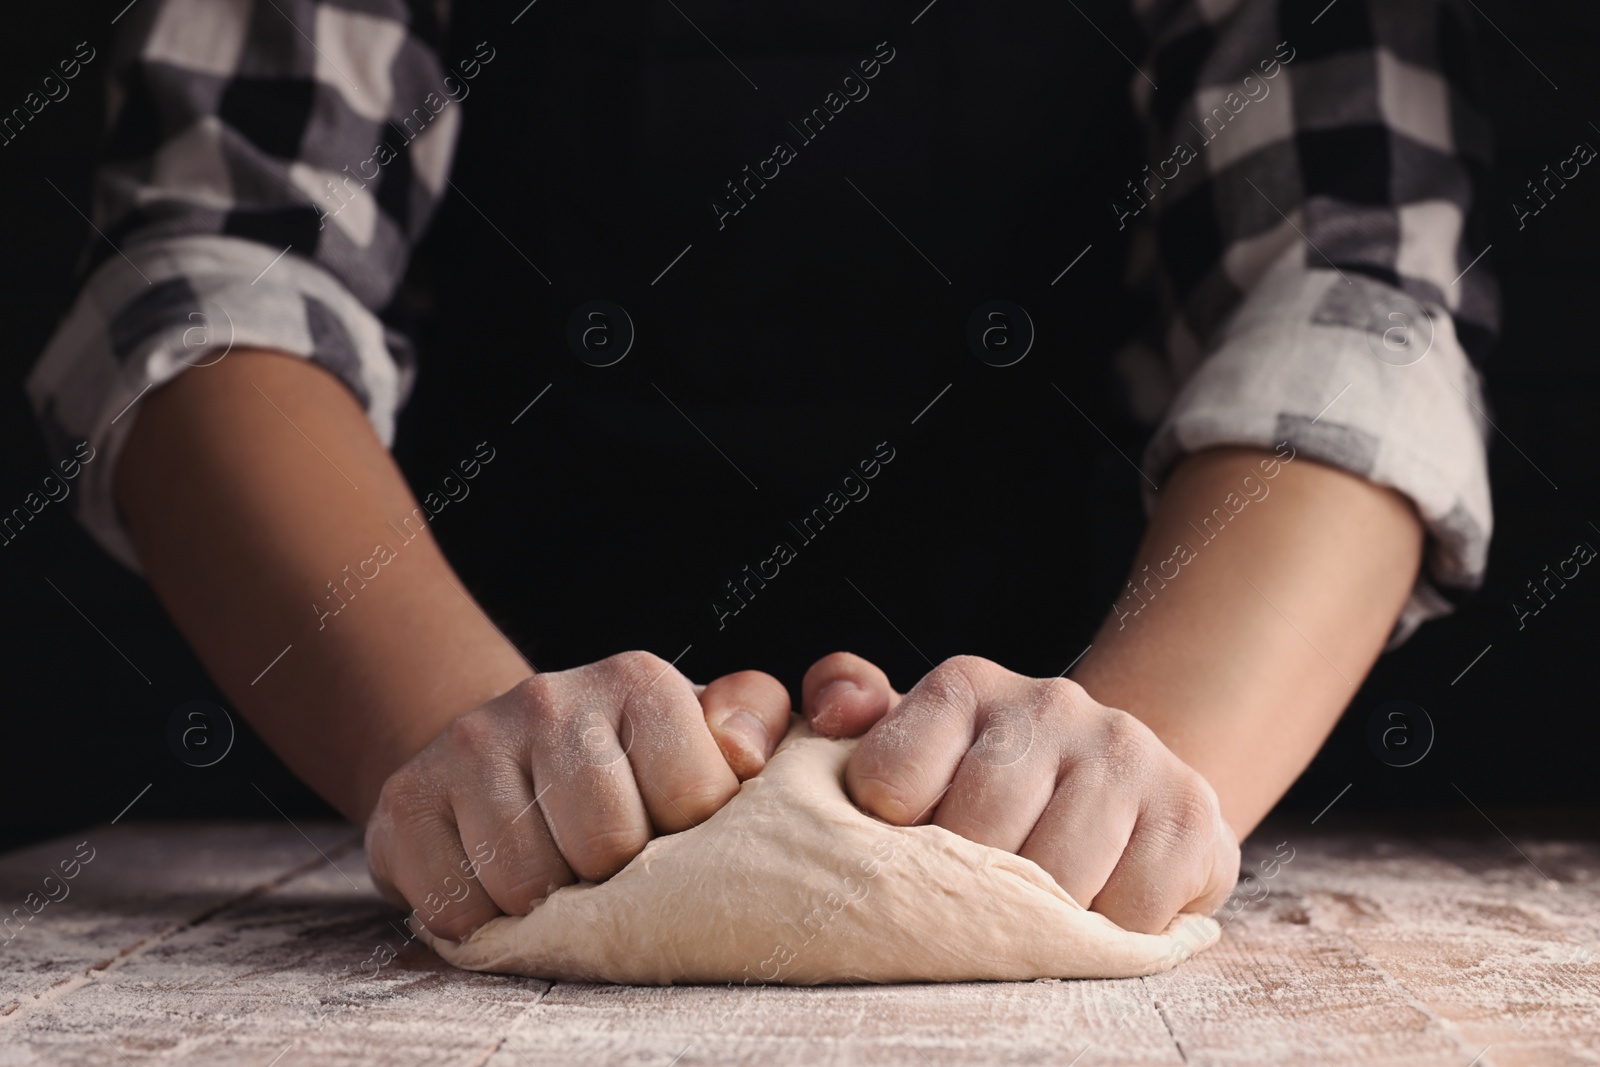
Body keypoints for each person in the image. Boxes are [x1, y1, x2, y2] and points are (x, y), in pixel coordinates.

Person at [28, 0, 1496, 945]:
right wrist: (455, 755)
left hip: (1093, 634)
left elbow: (1352, 294)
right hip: (437, 691)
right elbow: (213, 281)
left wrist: (1132, 781)